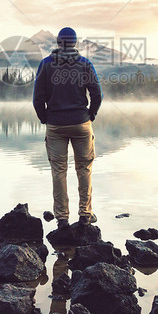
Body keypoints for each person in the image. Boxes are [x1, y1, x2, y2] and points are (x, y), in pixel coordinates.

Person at [32, 27, 102, 229]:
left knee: (58, 171)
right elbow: (97, 95)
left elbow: (38, 98)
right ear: (75, 43)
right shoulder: (85, 64)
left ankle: (62, 218)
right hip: (81, 124)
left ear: (58, 43)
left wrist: (45, 118)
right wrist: (91, 115)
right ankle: (85, 215)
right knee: (84, 169)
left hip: (55, 125)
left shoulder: (46, 64)